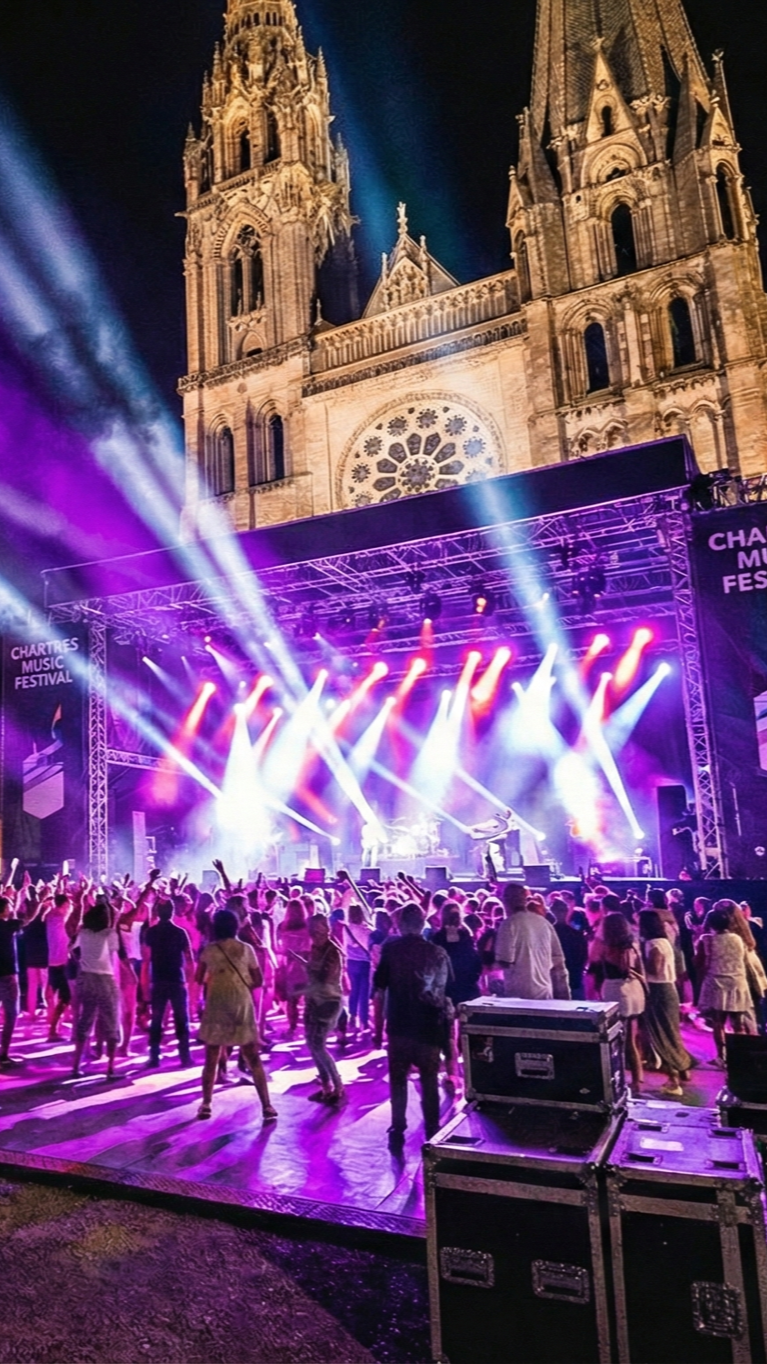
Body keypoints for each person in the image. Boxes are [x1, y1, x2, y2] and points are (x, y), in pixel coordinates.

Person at [373, 901, 450, 1150]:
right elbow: (446, 990)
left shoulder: (391, 950)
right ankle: (432, 1128)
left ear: (400, 924)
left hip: (399, 1023)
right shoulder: (438, 952)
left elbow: (380, 988)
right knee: (429, 1079)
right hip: (429, 1025)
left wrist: (378, 1027)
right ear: (422, 924)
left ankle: (397, 1127)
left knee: (398, 1078)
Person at [195, 908, 276, 1123]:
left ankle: (206, 1104)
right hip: (241, 1002)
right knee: (252, 1056)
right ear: (235, 926)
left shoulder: (209, 950)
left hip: (217, 1002)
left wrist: (217, 978)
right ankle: (267, 1105)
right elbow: (259, 980)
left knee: (211, 1058)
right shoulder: (246, 949)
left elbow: (198, 977)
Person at [638, 908, 692, 1097]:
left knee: (661, 1035)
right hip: (669, 989)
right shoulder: (666, 942)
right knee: (672, 1032)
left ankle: (673, 1078)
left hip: (658, 990)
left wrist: (639, 961)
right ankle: (683, 1067)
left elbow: (654, 968)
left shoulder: (653, 944)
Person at [696, 904, 755, 1066]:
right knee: (739, 1024)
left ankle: (722, 1057)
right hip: (737, 983)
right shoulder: (739, 939)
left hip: (717, 983)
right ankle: (742, 1057)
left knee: (718, 1023)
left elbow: (699, 963)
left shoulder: (707, 940)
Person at [71, 894, 122, 1080]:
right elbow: (113, 953)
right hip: (104, 979)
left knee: (85, 1021)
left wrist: (82, 961)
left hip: (85, 978)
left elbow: (71, 948)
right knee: (111, 1022)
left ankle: (76, 1066)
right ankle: (110, 1069)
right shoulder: (109, 934)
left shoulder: (83, 932)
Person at [494, 882, 570, 1000]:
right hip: (545, 992)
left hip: (520, 995)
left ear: (506, 901)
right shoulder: (544, 923)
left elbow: (505, 961)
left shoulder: (509, 924)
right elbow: (558, 959)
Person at [142, 898, 193, 1068]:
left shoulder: (151, 932)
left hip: (158, 980)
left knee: (156, 1021)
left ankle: (154, 1057)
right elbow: (189, 959)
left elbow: (146, 961)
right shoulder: (180, 932)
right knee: (181, 1020)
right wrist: (190, 981)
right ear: (172, 912)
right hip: (177, 981)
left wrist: (145, 985)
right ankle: (185, 1057)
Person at [599, 912, 646, 1090]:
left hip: (616, 992)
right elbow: (641, 971)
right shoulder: (633, 946)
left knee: (617, 1040)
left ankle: (619, 1080)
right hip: (635, 990)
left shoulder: (606, 947)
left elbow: (594, 960)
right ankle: (637, 1078)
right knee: (632, 1040)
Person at [303, 914, 345, 1105]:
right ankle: (326, 1085)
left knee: (318, 1044)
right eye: (312, 932)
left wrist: (308, 969)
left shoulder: (332, 952)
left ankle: (337, 1085)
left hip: (328, 1002)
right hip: (313, 999)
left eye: (318, 931)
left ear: (327, 930)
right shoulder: (314, 948)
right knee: (311, 1043)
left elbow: (327, 979)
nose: (314, 936)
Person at [0, 890, 41, 1067]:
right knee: (11, 1014)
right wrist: (39, 901)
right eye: (9, 906)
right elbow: (29, 917)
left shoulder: (8, 924)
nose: (11, 908)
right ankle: (3, 1054)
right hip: (8, 976)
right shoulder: (6, 926)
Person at [343, 903, 372, 1036]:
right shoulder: (366, 930)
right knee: (364, 993)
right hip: (365, 963)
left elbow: (346, 945)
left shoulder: (346, 929)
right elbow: (368, 946)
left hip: (351, 961)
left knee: (354, 990)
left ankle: (352, 1017)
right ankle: (364, 1021)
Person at [550, 897, 588, 999]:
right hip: (575, 977)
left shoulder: (548, 933)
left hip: (553, 978)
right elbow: (584, 956)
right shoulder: (577, 934)